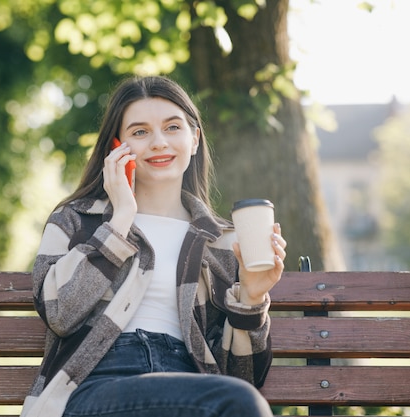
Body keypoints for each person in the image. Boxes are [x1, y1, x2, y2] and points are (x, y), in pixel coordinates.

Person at [22, 75, 287, 417]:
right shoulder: (76, 221)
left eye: (172, 127)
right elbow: (59, 313)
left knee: (238, 400)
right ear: (118, 147)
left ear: (194, 139)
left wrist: (251, 298)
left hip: (191, 389)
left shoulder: (224, 242)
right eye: (140, 132)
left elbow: (243, 377)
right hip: (95, 389)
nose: (159, 142)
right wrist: (119, 221)